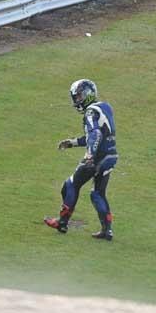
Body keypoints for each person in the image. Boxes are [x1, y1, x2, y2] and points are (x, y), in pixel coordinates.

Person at [44, 79, 119, 241]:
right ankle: (107, 230)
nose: (77, 100)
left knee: (70, 185)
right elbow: (98, 134)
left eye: (79, 96)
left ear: (88, 94)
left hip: (97, 157)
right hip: (111, 155)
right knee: (97, 193)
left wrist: (90, 154)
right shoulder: (104, 107)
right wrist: (73, 143)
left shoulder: (90, 112)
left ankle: (62, 222)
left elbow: (95, 135)